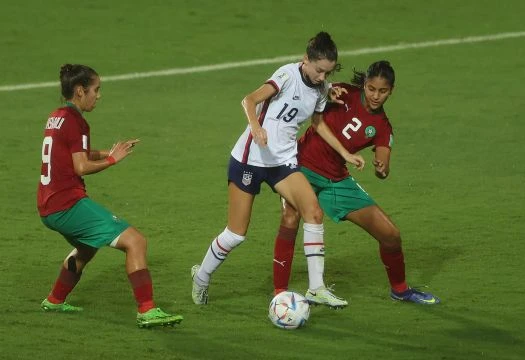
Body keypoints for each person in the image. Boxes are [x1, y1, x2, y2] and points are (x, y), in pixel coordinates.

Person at [191, 32, 365, 305]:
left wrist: (345, 152)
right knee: (236, 234)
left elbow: (317, 124)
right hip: (250, 160)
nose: (322, 78)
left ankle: (316, 287)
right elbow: (248, 100)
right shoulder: (286, 75)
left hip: (282, 163)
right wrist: (256, 127)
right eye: (319, 70)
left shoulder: (321, 88)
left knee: (314, 213)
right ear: (305, 60)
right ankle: (201, 277)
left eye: (327, 73)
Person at [272, 60, 440, 306]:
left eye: (382, 91)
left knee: (391, 235)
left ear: (391, 91)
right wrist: (328, 90)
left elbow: (383, 159)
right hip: (301, 168)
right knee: (290, 218)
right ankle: (279, 294)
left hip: (336, 180)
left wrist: (382, 169)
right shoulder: (342, 93)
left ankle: (400, 289)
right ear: (364, 85)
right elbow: (313, 97)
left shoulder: (382, 127)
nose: (376, 96)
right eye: (371, 88)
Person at [37, 64, 184, 328]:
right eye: (96, 89)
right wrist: (113, 161)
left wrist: (107, 152)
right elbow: (80, 166)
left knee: (86, 246)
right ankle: (147, 310)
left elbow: (74, 153)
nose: (99, 95)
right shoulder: (77, 121)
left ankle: (55, 299)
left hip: (48, 205)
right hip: (66, 204)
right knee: (135, 241)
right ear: (80, 91)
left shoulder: (57, 116)